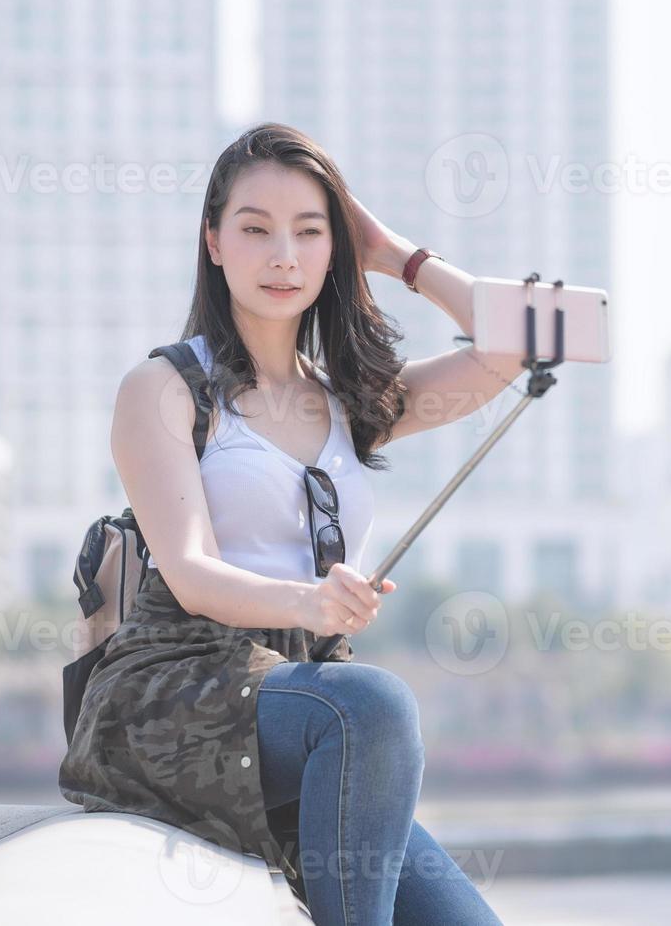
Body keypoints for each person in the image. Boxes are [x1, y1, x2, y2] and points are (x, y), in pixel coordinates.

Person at [59, 122, 524, 925]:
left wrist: (399, 257)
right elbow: (193, 570)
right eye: (255, 229)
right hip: (176, 691)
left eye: (311, 233)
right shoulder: (166, 388)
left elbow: (513, 344)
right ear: (212, 241)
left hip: (306, 707)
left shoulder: (351, 399)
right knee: (374, 703)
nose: (283, 256)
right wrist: (306, 602)